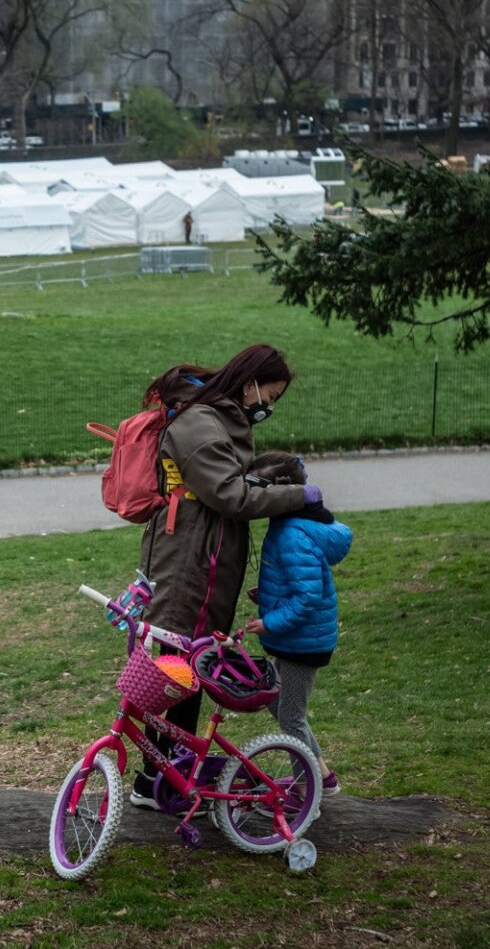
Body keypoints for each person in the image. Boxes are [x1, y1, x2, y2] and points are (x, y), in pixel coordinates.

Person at [130, 343, 315, 807]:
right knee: (178, 668)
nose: (267, 406)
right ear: (248, 383)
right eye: (268, 395)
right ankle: (157, 780)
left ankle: (165, 776)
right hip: (187, 564)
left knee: (186, 667)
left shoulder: (215, 418)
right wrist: (298, 495)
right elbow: (232, 496)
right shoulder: (199, 422)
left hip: (202, 561)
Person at [246, 450, 352, 794]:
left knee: (290, 716)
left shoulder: (292, 533)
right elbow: (296, 582)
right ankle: (321, 775)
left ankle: (308, 790)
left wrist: (269, 622)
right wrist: (269, 594)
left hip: (303, 642)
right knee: (276, 702)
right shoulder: (288, 524)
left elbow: (307, 598)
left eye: (258, 491)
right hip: (297, 637)